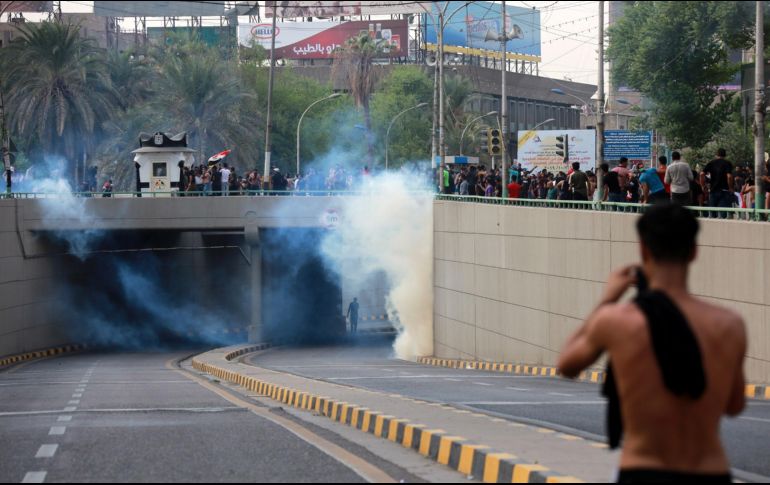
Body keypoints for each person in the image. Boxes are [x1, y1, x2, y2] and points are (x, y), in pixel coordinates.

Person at [557, 204, 746, 483]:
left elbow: (567, 364)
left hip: (643, 470)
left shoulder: (615, 321)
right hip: (710, 472)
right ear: (694, 251)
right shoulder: (729, 325)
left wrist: (607, 299)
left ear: (643, 250)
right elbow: (734, 405)